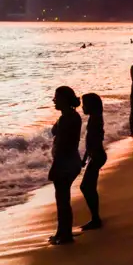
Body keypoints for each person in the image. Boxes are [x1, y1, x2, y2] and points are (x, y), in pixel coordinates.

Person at [48, 86, 82, 245]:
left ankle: (65, 234)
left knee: (62, 200)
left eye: (57, 97)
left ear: (65, 100)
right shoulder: (71, 116)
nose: (54, 100)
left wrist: (55, 167)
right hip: (72, 160)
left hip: (65, 162)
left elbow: (62, 146)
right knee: (63, 199)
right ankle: (62, 232)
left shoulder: (67, 119)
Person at [80, 93, 107, 230]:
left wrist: (90, 156)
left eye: (84, 104)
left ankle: (96, 218)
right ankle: (95, 216)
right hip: (95, 155)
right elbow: (89, 142)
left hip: (97, 156)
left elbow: (95, 140)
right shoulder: (94, 118)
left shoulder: (95, 119)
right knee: (89, 187)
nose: (82, 107)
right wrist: (84, 159)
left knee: (86, 187)